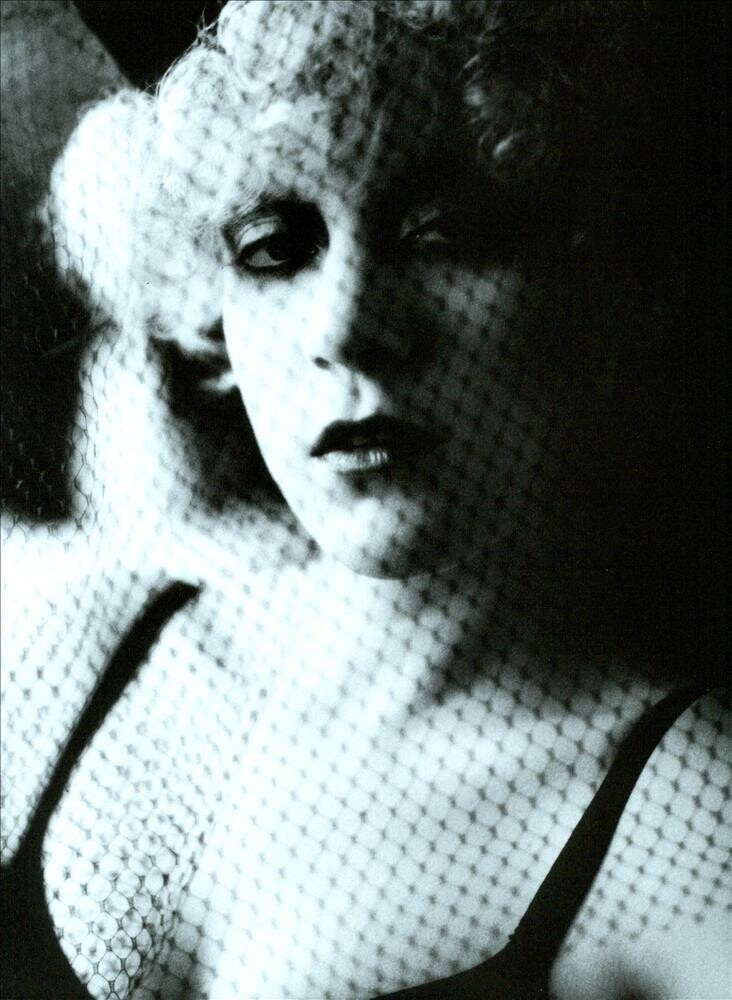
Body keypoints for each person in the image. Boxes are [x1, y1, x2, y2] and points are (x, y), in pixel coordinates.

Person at [1, 2, 728, 998]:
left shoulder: (688, 839)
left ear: (602, 284)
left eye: (443, 234)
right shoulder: (78, 651)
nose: (345, 326)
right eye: (273, 246)